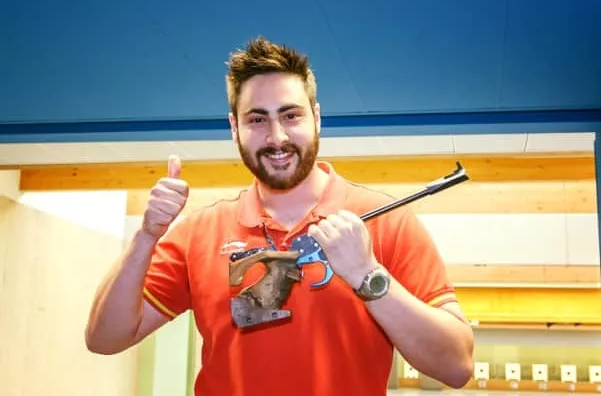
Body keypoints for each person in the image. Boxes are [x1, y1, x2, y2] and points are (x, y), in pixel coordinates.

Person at [85, 36, 474, 395]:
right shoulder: (199, 232)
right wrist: (146, 236)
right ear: (234, 127)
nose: (277, 137)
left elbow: (456, 367)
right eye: (257, 119)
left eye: (291, 116)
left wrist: (367, 274)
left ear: (316, 117)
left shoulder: (388, 224)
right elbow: (104, 339)